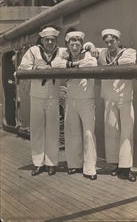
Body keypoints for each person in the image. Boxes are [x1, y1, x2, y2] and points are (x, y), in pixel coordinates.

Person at [18, 27, 66, 176]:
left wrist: (90, 47)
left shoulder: (62, 52)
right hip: (37, 96)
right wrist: (38, 68)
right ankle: (38, 163)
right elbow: (22, 68)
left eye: (52, 39)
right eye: (47, 40)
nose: (50, 42)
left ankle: (51, 164)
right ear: (42, 40)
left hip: (53, 96)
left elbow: (78, 51)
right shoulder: (33, 51)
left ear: (56, 40)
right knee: (37, 130)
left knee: (52, 130)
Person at [96, 28, 137, 182]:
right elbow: (92, 49)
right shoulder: (103, 53)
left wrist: (108, 62)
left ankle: (126, 168)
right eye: (106, 42)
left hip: (124, 97)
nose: (109, 44)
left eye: (112, 41)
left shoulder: (129, 52)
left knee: (126, 133)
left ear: (118, 41)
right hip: (109, 97)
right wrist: (89, 47)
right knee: (112, 132)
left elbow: (129, 61)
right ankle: (116, 165)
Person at [60, 28, 98, 180]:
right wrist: (74, 64)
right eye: (71, 41)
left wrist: (73, 65)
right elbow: (57, 63)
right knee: (72, 133)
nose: (74, 44)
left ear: (81, 44)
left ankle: (90, 169)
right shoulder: (63, 56)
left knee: (88, 134)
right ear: (67, 44)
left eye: (77, 41)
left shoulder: (88, 54)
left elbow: (92, 63)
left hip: (86, 100)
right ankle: (74, 164)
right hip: (71, 100)